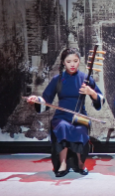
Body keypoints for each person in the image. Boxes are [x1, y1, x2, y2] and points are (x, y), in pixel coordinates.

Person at [27, 48, 104, 177]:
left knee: (80, 129)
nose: (72, 64)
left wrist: (91, 92)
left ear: (79, 61)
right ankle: (63, 164)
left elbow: (100, 99)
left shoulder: (85, 78)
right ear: (63, 62)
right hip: (61, 116)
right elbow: (46, 100)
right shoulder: (57, 79)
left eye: (75, 61)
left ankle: (80, 163)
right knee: (62, 127)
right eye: (68, 62)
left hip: (80, 116)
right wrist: (37, 100)